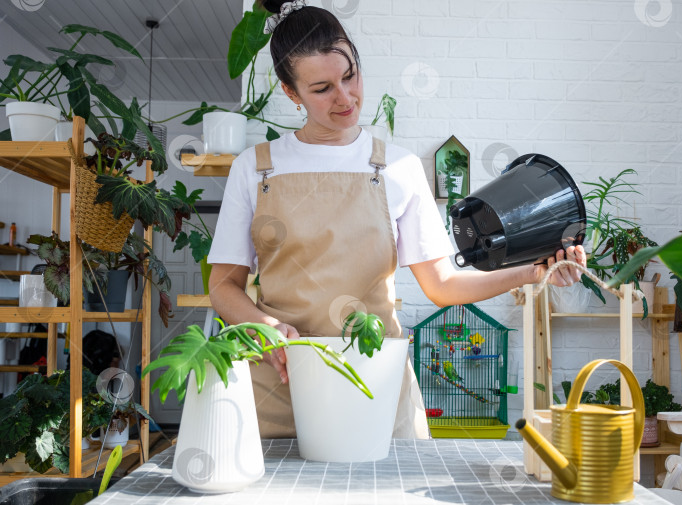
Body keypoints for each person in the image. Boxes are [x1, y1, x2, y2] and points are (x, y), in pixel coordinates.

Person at [207, 0, 587, 439]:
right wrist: (264, 326)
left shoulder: (399, 168)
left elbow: (442, 285)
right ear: (291, 93)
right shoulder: (255, 168)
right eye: (322, 88)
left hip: (376, 381)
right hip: (281, 382)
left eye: (350, 76)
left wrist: (533, 272)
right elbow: (223, 286)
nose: (345, 97)